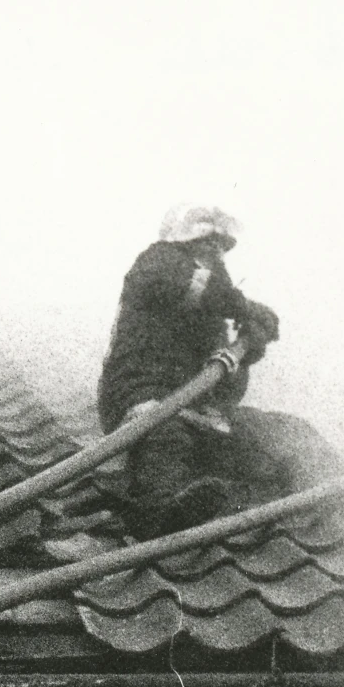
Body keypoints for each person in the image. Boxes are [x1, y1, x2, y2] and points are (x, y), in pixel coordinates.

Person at [97, 205, 287, 538]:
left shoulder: (213, 300)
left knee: (256, 452)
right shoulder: (157, 261)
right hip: (140, 395)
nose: (216, 251)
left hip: (194, 407)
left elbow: (220, 371)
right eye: (208, 241)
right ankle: (156, 513)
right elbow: (192, 287)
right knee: (166, 438)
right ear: (185, 239)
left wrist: (248, 347)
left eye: (221, 245)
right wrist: (245, 307)